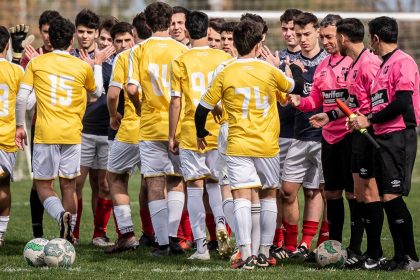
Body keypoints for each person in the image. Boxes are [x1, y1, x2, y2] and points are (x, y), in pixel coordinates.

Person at [195, 19, 304, 270]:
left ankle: (246, 255)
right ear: (258, 45)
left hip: (237, 144)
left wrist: (201, 132)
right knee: (267, 195)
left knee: (241, 195)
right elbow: (297, 86)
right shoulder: (268, 70)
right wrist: (294, 68)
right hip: (267, 144)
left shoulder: (226, 71)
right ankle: (264, 252)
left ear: (234, 43)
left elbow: (202, 110)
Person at [15, 16, 103, 243]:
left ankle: (60, 215)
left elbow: (22, 97)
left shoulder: (37, 63)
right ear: (71, 41)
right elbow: (95, 94)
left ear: (50, 40)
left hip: (45, 134)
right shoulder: (82, 66)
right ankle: (70, 235)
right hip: (73, 134)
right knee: (69, 186)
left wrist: (19, 126)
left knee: (44, 186)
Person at [349, 16, 420, 271]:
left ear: (376, 38)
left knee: (392, 196)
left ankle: (410, 257)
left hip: (399, 135)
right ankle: (400, 257)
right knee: (387, 197)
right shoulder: (383, 66)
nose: (371, 44)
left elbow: (402, 103)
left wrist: (368, 119)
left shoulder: (403, 62)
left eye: (371, 38)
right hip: (383, 136)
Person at [289, 14, 358, 259]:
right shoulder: (322, 67)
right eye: (323, 37)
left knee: (353, 194)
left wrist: (331, 115)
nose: (326, 42)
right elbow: (315, 101)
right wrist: (300, 102)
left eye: (329, 37)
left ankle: (357, 249)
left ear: (342, 36)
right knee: (331, 194)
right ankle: (332, 247)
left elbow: (356, 100)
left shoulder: (353, 64)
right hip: (327, 138)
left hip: (350, 136)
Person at [126, 1, 188, 257]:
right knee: (176, 180)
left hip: (151, 125)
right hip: (179, 125)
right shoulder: (182, 49)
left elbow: (130, 88)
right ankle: (174, 239)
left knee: (154, 182)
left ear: (148, 24)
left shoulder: (139, 50)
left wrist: (141, 106)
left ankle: (161, 243)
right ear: (169, 21)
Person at [169, 10, 232, 260]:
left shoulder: (181, 60)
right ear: (208, 31)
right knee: (216, 184)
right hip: (218, 129)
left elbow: (176, 101)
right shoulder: (223, 58)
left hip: (191, 130)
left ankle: (201, 247)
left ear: (187, 32)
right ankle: (219, 224)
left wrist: (171, 135)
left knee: (194, 188)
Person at [326, 17, 383, 269]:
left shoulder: (370, 63)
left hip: (368, 136)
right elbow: (354, 101)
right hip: (355, 135)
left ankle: (374, 252)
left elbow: (381, 100)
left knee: (369, 194)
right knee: (359, 195)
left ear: (342, 38)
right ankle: (362, 252)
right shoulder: (356, 63)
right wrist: (329, 115)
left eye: (334, 36)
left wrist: (366, 119)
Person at [277, 12, 328, 260]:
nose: (302, 39)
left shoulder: (329, 61)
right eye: (299, 35)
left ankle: (311, 243)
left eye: (306, 34)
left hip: (323, 136)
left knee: (318, 191)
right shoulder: (289, 61)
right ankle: (289, 244)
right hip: (298, 135)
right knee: (287, 191)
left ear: (317, 31)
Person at [260, 8, 305, 255]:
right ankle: (279, 242)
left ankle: (301, 242)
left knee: (312, 191)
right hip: (278, 134)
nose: (288, 34)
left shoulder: (313, 59)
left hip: (305, 134)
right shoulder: (274, 58)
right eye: (285, 29)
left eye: (292, 29)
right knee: (277, 191)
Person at [72, 10, 116, 245]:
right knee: (76, 183)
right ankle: (74, 233)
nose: (85, 36)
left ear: (97, 34)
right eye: (81, 31)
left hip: (106, 133)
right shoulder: (70, 58)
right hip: (82, 132)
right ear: (75, 32)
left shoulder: (111, 61)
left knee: (105, 185)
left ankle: (100, 233)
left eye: (90, 32)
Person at [20, 10, 61, 239]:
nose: (48, 36)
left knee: (69, 184)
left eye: (52, 32)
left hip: (70, 129)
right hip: (41, 126)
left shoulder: (70, 55)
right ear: (40, 32)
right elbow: (25, 96)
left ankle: (68, 235)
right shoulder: (31, 57)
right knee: (40, 182)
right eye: (45, 32)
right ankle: (38, 234)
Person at [0, 26, 24, 246]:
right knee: (3, 185)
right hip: (7, 136)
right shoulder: (17, 71)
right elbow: (24, 100)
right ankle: (1, 232)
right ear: (6, 46)